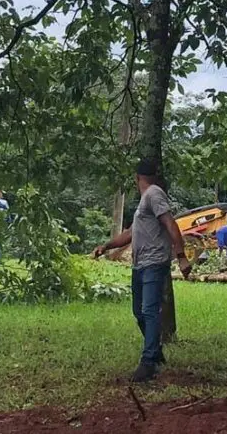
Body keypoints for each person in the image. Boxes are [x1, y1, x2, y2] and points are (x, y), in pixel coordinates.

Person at [92, 159, 193, 383]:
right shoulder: (145, 201)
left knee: (148, 310)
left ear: (136, 178)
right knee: (139, 311)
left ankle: (149, 363)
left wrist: (181, 257)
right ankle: (155, 352)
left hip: (154, 263)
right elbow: (130, 234)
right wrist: (106, 246)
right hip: (141, 264)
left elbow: (171, 224)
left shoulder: (154, 194)